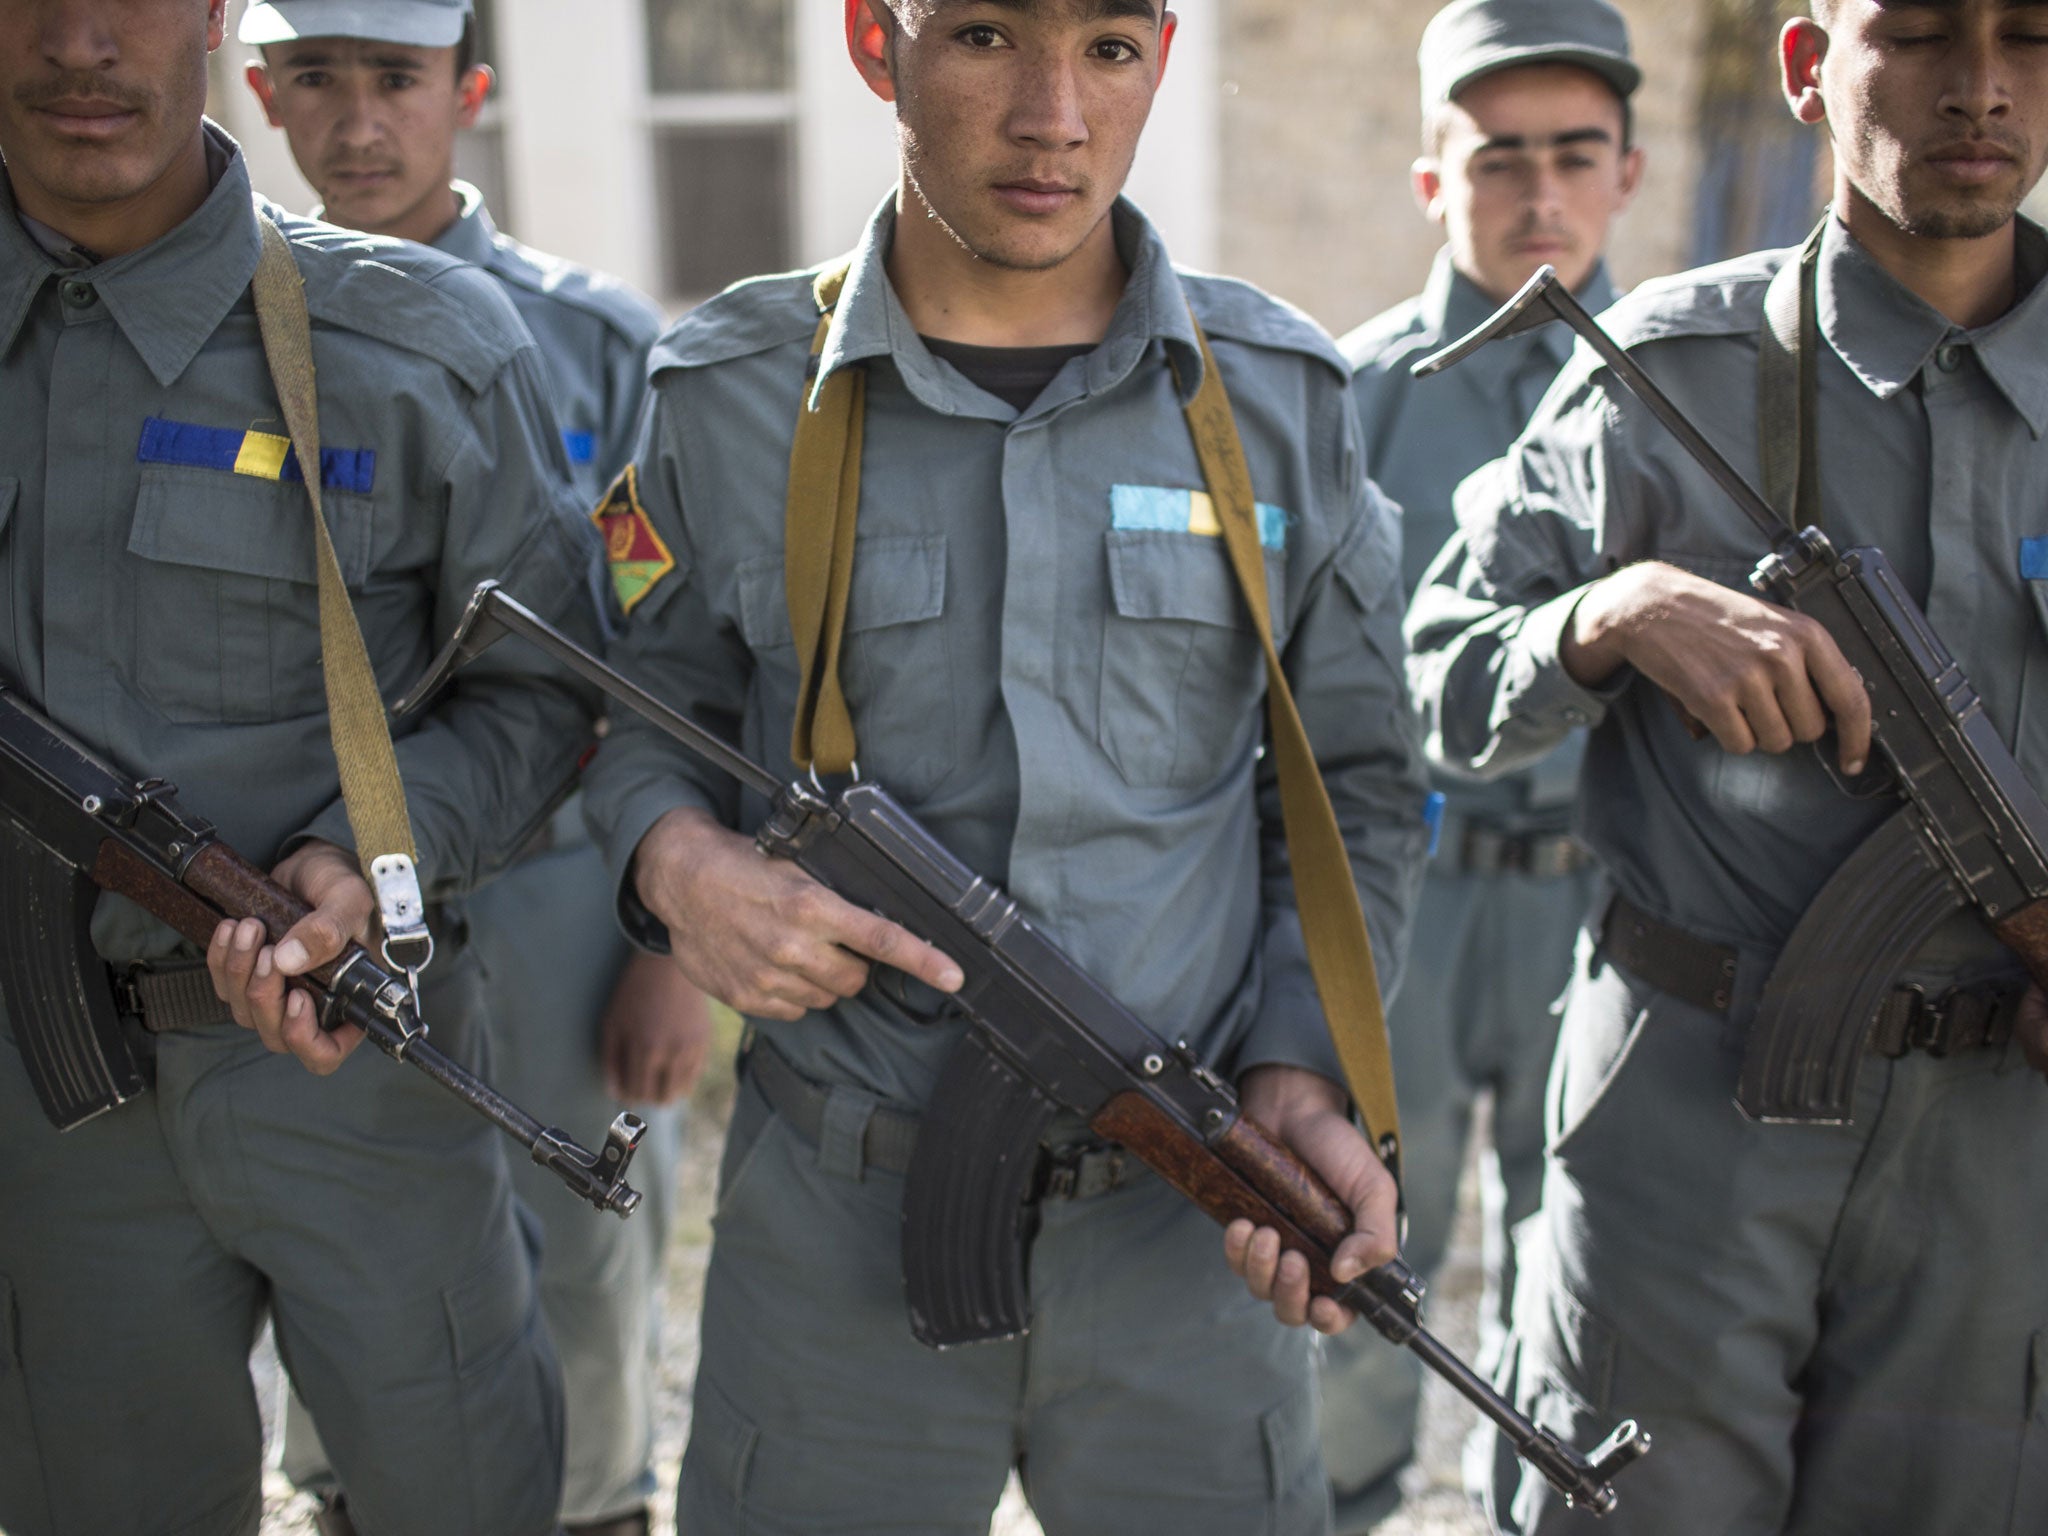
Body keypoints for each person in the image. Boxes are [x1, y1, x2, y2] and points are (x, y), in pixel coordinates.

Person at [579, 2, 1429, 1531]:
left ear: (1163, 56)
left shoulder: (1278, 400)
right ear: (870, 40)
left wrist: (1305, 1070)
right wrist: (677, 863)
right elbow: (641, 708)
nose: (1053, 114)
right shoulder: (731, 392)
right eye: (983, 34)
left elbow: (1354, 786)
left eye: (1108, 46)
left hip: (1188, 1224)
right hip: (838, 1228)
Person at [1405, 1, 2048, 1531]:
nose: (1980, 85)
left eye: (2031, 35)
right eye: (1921, 32)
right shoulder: (1663, 369)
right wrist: (1605, 615)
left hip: (2005, 1145)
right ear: (1811, 66)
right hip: (1691, 1113)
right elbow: (1439, 672)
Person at [0, 0, 611, 1532]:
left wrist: (371, 849)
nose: (82, 40)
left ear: (211, 12)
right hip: (38, 1116)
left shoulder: (420, 345)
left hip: (355, 1082)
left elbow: (545, 699)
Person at [238, 3, 703, 1531]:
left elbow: (674, 660)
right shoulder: (216, 330)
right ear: (261, 94)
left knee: (577, 1245)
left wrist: (670, 950)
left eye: (396, 79)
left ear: (470, 93)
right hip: (315, 878)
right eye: (316, 79)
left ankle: (595, 1505)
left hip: (566, 887)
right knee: (343, 1226)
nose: (357, 122)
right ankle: (335, 1496)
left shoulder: (602, 345)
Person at [1316, 3, 1643, 1526]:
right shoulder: (1349, 398)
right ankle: (1351, 1503)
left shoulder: (1698, 383)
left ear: (1627, 173)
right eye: (1499, 157)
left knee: (1588, 1269)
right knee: (1367, 1248)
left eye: (1576, 156)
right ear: (1434, 179)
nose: (1541, 195)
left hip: (1615, 899)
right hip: (1411, 903)